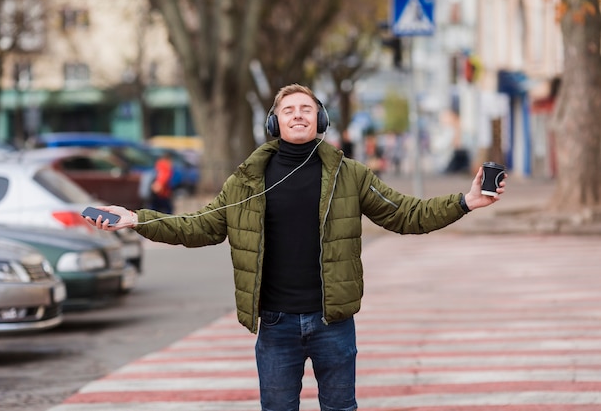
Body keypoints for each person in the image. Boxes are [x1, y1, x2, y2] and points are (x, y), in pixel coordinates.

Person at [84, 83, 506, 411]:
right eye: (289, 110)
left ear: (320, 118)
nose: (298, 115)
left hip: (332, 324)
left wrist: (466, 201)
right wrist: (139, 218)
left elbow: (406, 213)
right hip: (275, 324)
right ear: (275, 122)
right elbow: (201, 226)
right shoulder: (245, 181)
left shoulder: (350, 174)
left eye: (306, 109)